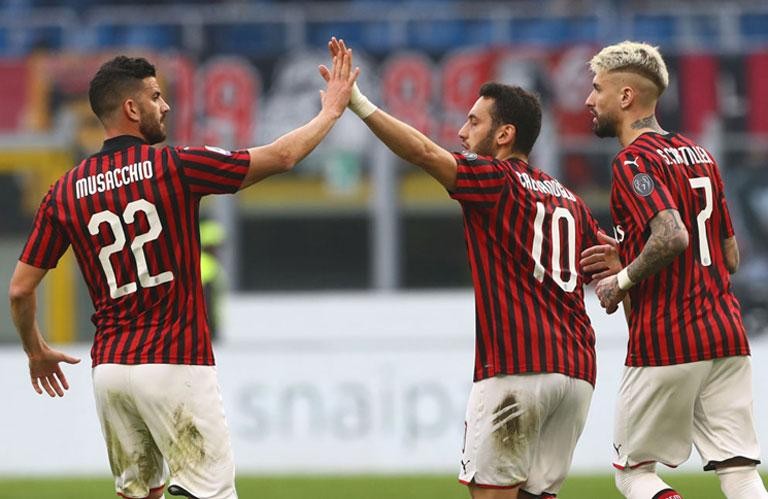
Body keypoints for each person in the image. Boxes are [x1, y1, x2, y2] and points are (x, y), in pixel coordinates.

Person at [9, 50, 358, 499]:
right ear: (131, 108)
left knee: (138, 494)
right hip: (175, 362)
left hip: (110, 370)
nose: (166, 105)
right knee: (213, 492)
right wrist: (331, 111)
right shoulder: (175, 166)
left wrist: (35, 349)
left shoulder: (64, 191)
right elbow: (282, 156)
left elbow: (20, 289)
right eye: (156, 96)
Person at [324, 38, 606, 499]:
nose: (461, 132)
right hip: (577, 373)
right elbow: (612, 258)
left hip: (518, 369)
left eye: (474, 121)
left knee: (492, 494)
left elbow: (423, 154)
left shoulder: (495, 180)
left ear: (505, 134)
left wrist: (359, 103)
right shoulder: (569, 200)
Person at [582, 40, 768, 499]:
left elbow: (672, 236)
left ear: (626, 96)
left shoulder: (633, 161)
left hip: (668, 335)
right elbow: (730, 257)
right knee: (740, 471)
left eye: (598, 88)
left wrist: (621, 279)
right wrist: (632, 253)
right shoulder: (700, 154)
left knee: (634, 473)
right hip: (727, 334)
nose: (589, 99)